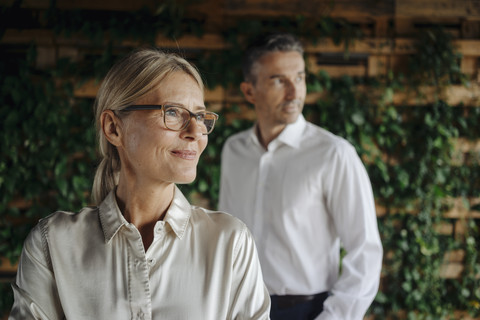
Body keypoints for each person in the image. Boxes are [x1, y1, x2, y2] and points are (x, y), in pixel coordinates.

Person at [9, 48, 270, 320]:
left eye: (200, 117)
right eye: (173, 112)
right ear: (113, 128)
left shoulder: (230, 242)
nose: (196, 132)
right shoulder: (52, 244)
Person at [218, 33, 383, 320]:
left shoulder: (334, 154)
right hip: (238, 307)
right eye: (279, 81)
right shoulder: (234, 151)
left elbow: (365, 251)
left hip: (307, 311)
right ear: (249, 91)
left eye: (300, 77)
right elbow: (226, 235)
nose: (295, 93)